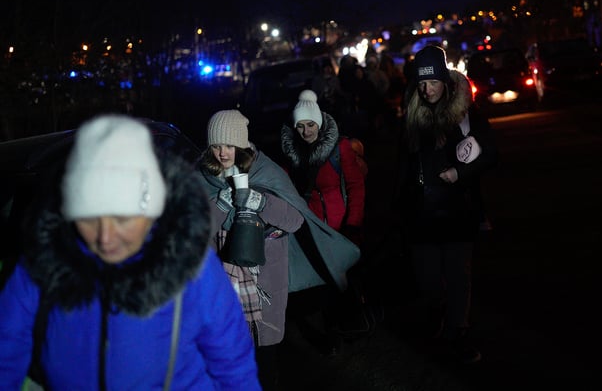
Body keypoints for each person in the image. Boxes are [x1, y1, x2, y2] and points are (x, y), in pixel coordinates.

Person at [0, 114, 260, 390]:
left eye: (122, 219)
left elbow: (232, 364)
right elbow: (7, 346)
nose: (106, 237)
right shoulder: (47, 260)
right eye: (89, 219)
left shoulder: (189, 264)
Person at [196, 109, 359, 389]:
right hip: (220, 285)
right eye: (216, 145)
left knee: (265, 360)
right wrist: (221, 205)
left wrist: (260, 202)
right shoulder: (199, 178)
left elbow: (295, 219)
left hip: (264, 283)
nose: (223, 153)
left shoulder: (266, 171)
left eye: (230, 145)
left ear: (242, 144)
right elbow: (194, 233)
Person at [393, 45, 498, 365]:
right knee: (427, 280)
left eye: (432, 83)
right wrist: (399, 203)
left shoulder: (466, 113)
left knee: (458, 278)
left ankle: (458, 335)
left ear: (445, 81)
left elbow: (490, 154)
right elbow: (404, 165)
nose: (427, 90)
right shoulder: (411, 115)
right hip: (422, 214)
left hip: (457, 210)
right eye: (421, 84)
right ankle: (437, 314)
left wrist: (460, 172)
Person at [279, 89, 367, 355]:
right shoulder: (292, 155)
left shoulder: (340, 149)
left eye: (311, 124)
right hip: (313, 230)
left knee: (346, 280)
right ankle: (333, 333)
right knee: (324, 285)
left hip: (341, 229)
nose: (306, 131)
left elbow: (355, 187)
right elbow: (283, 188)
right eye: (301, 126)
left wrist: (353, 224)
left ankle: (353, 322)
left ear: (319, 122)